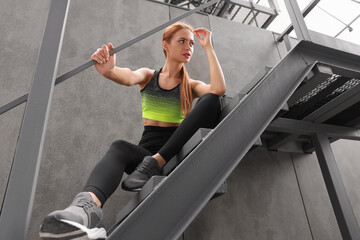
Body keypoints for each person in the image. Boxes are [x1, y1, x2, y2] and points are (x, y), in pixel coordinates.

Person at [39, 21, 226, 240]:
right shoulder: (148, 76)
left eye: (192, 44)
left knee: (212, 100)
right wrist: (109, 71)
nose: (189, 47)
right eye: (182, 41)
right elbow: (126, 76)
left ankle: (158, 160)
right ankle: (83, 210)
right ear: (165, 45)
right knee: (119, 147)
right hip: (143, 162)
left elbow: (219, 89)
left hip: (173, 154)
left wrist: (208, 47)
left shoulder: (191, 86)